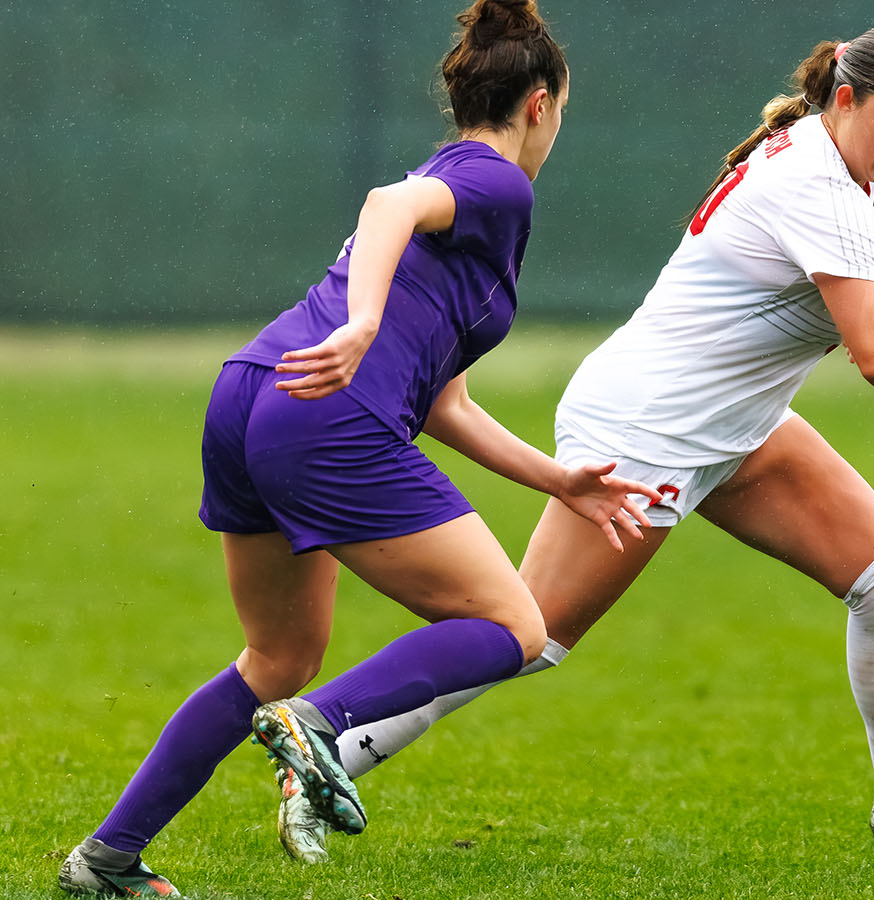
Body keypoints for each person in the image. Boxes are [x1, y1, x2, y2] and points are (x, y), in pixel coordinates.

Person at [277, 23, 874, 862]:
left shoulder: (821, 151)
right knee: (521, 636)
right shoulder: (821, 187)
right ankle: (323, 748)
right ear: (845, 100)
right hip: (648, 429)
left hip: (735, 425)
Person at [56, 2, 659, 896]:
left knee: (276, 658)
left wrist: (556, 477)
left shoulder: (465, 191)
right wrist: (364, 322)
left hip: (255, 390)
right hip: (323, 411)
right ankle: (319, 724)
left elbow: (444, 401)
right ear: (540, 103)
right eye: (562, 109)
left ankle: (105, 860)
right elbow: (390, 204)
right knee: (512, 629)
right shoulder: (496, 182)